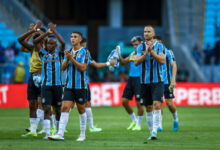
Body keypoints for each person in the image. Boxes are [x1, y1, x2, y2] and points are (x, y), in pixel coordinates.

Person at [48, 31, 88, 142]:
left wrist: (71, 58)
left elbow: (83, 68)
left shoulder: (85, 52)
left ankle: (82, 134)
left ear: (80, 39)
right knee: (64, 108)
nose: (72, 38)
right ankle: (60, 134)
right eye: (71, 36)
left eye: (75, 37)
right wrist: (67, 58)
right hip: (69, 86)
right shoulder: (69, 52)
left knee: (81, 109)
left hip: (80, 86)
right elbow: (62, 68)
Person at [134, 25, 165, 140]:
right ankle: (151, 130)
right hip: (144, 81)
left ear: (153, 33)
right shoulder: (140, 47)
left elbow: (162, 60)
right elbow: (136, 62)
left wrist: (152, 52)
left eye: (148, 31)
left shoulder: (160, 46)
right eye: (145, 31)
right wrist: (146, 53)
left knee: (157, 104)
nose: (146, 33)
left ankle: (154, 132)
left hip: (158, 80)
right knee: (148, 108)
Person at [80, 38, 116, 132]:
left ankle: (91, 127)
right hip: (79, 83)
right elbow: (96, 65)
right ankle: (57, 127)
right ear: (83, 43)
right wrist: (109, 63)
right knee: (69, 106)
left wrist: (109, 63)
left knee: (87, 103)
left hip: (83, 83)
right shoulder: (82, 52)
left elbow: (96, 65)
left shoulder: (83, 53)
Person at [18, 21, 45, 137]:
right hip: (32, 77)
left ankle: (45, 127)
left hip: (43, 77)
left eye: (39, 35)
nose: (37, 37)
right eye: (36, 36)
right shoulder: (32, 48)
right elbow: (21, 44)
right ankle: (33, 129)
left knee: (41, 103)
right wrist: (31, 31)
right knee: (32, 103)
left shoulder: (47, 49)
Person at [116, 36, 144, 131]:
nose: (135, 46)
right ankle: (134, 120)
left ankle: (139, 125)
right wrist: (118, 53)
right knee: (124, 101)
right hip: (131, 79)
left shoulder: (144, 54)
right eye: (134, 45)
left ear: (141, 43)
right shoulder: (133, 53)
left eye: (137, 44)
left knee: (138, 103)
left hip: (140, 79)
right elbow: (123, 62)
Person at [154, 36, 179, 132]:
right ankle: (159, 125)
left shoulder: (168, 51)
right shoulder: (152, 53)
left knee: (169, 103)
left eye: (155, 41)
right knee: (157, 103)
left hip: (167, 82)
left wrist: (173, 80)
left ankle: (175, 119)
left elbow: (174, 65)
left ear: (160, 41)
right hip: (156, 81)